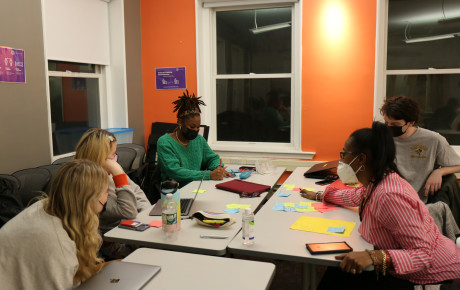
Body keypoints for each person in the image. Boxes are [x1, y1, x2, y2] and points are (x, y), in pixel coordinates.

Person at [302, 122, 460, 289]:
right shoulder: (377, 180)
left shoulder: (389, 196)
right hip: (396, 264)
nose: (341, 160)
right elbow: (356, 196)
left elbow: (423, 255)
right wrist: (320, 194)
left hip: (421, 273)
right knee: (337, 271)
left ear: (361, 159)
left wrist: (375, 257)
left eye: (344, 154)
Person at [0, 159, 108, 289]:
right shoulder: (57, 247)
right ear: (90, 202)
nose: (107, 197)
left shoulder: (44, 206)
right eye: (107, 191)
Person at [381, 95, 460, 226]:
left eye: (395, 124)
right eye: (387, 123)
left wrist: (439, 172)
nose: (389, 127)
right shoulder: (383, 138)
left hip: (420, 205)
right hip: (390, 202)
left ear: (411, 122)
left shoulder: (433, 139)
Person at [74, 128, 151, 233]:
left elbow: (137, 192)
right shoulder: (87, 185)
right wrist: (119, 174)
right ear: (100, 158)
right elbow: (128, 211)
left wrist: (146, 215)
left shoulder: (109, 173)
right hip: (111, 236)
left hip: (131, 225)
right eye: (113, 154)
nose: (116, 157)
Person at [157, 90, 232, 188]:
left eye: (198, 127)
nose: (196, 130)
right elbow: (175, 172)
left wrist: (218, 168)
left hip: (197, 187)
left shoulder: (199, 140)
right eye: (192, 127)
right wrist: (208, 175)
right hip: (175, 192)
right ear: (180, 122)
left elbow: (212, 158)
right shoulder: (164, 142)